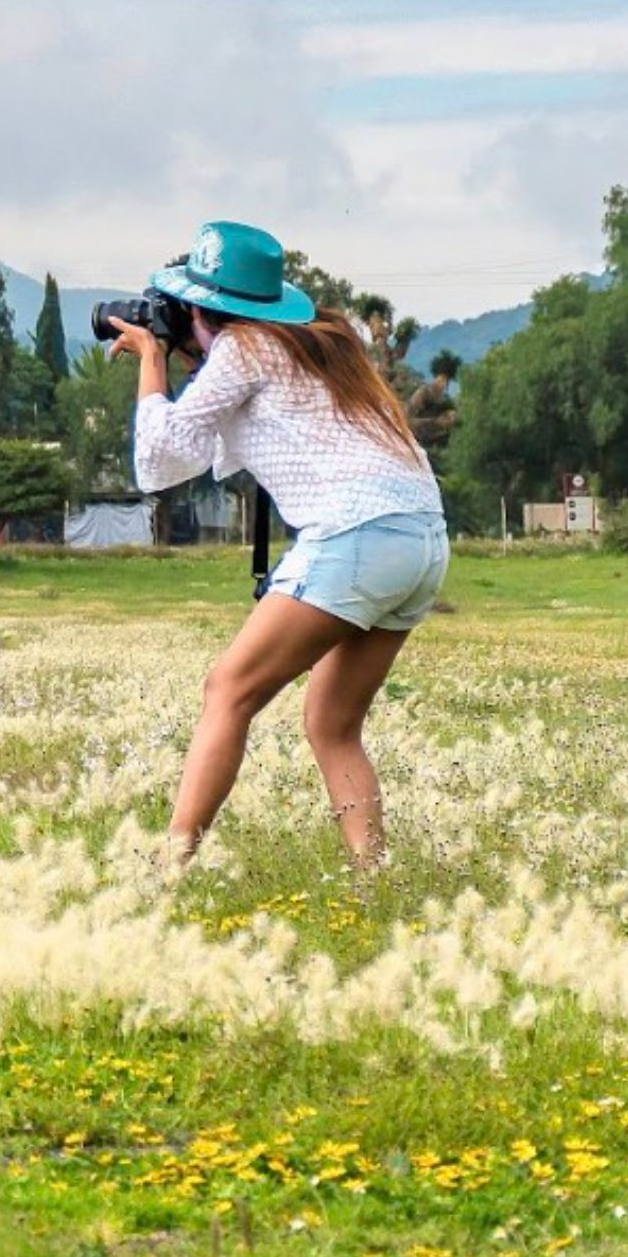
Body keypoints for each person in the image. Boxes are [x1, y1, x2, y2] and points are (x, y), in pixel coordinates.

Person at [114, 220, 448, 866]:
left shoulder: (242, 350)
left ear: (202, 309)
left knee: (228, 690)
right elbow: (213, 444)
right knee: (331, 721)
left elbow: (157, 461)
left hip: (354, 534)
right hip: (424, 540)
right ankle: (372, 879)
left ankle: (171, 868)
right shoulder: (319, 346)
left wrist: (153, 362)